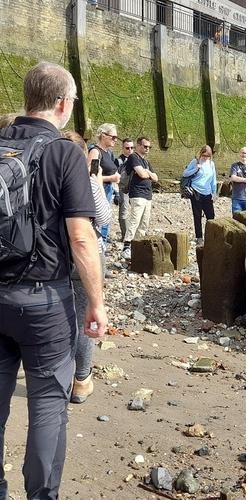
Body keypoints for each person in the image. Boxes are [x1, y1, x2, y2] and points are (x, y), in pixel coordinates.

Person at [0, 62, 107, 500]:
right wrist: (97, 303)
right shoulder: (65, 153)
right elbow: (82, 237)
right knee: (46, 403)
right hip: (44, 298)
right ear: (63, 104)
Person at [64, 131, 111, 404]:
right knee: (86, 319)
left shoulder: (44, 174)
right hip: (85, 255)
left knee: (58, 316)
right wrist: (96, 182)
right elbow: (103, 218)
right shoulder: (85, 179)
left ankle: (59, 372)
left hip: (52, 256)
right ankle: (81, 380)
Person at [121, 136, 158, 260]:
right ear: (138, 146)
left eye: (149, 147)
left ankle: (138, 246)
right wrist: (146, 174)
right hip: (137, 194)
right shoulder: (133, 157)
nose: (147, 149)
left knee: (144, 223)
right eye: (145, 146)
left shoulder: (146, 162)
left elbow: (156, 178)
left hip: (148, 195)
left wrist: (147, 172)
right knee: (134, 220)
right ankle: (127, 246)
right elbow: (142, 174)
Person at [87, 123, 120, 247]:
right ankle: (99, 249)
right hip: (100, 190)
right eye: (113, 137)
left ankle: (103, 250)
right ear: (103, 135)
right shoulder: (95, 152)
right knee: (100, 222)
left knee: (105, 221)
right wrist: (111, 178)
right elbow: (91, 176)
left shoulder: (108, 153)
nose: (115, 140)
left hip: (108, 189)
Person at [182, 145, 217, 245]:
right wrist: (196, 169)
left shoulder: (211, 164)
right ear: (201, 153)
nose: (206, 157)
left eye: (208, 156)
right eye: (204, 155)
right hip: (196, 191)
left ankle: (211, 236)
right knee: (197, 216)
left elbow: (213, 179)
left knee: (211, 216)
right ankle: (199, 237)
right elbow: (185, 174)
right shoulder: (195, 162)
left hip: (207, 192)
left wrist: (214, 193)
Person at [115, 137, 135, 241]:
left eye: (132, 148)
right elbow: (115, 176)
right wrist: (116, 192)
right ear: (122, 148)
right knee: (124, 211)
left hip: (135, 189)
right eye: (127, 148)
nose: (130, 150)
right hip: (123, 188)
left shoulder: (136, 159)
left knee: (135, 211)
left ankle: (132, 235)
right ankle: (125, 235)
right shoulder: (118, 161)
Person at [229, 146, 246, 214]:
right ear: (239, 153)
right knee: (236, 219)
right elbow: (233, 178)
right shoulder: (234, 165)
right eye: (242, 153)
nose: (244, 155)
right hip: (236, 198)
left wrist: (238, 179)